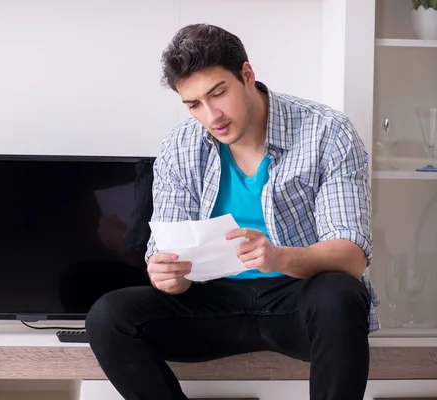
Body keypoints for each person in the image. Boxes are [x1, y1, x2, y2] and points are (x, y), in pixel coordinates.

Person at [85, 23, 380, 400]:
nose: (211, 116)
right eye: (193, 104)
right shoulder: (180, 147)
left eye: (218, 93)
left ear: (246, 75)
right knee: (108, 316)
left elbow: (352, 257)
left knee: (340, 293)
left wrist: (278, 256)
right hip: (212, 306)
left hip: (299, 303)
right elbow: (163, 260)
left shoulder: (327, 132)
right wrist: (166, 276)